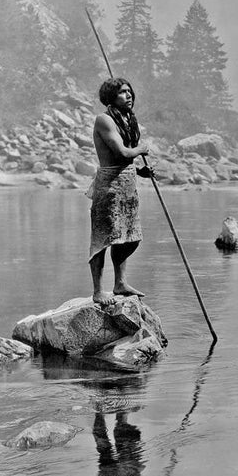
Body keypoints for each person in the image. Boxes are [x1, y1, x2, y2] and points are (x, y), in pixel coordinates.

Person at [88, 77, 151, 307]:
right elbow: (121, 153)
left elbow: (127, 160)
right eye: (122, 92)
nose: (129, 95)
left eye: (129, 91)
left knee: (128, 237)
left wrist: (142, 172)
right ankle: (97, 291)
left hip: (127, 184)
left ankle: (120, 283)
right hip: (109, 186)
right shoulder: (104, 120)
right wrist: (141, 149)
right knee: (103, 238)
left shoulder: (128, 119)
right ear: (110, 98)